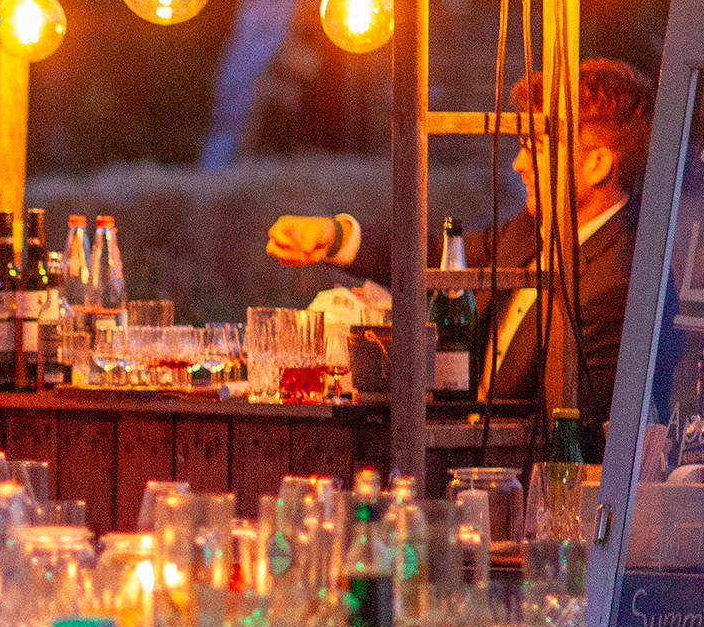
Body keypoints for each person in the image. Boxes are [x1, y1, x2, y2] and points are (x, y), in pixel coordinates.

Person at [266, 55, 655, 419]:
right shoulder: (528, 231)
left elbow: (569, 428)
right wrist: (336, 236)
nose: (518, 163)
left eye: (534, 147)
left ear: (597, 164)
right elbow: (441, 259)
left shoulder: (625, 280)